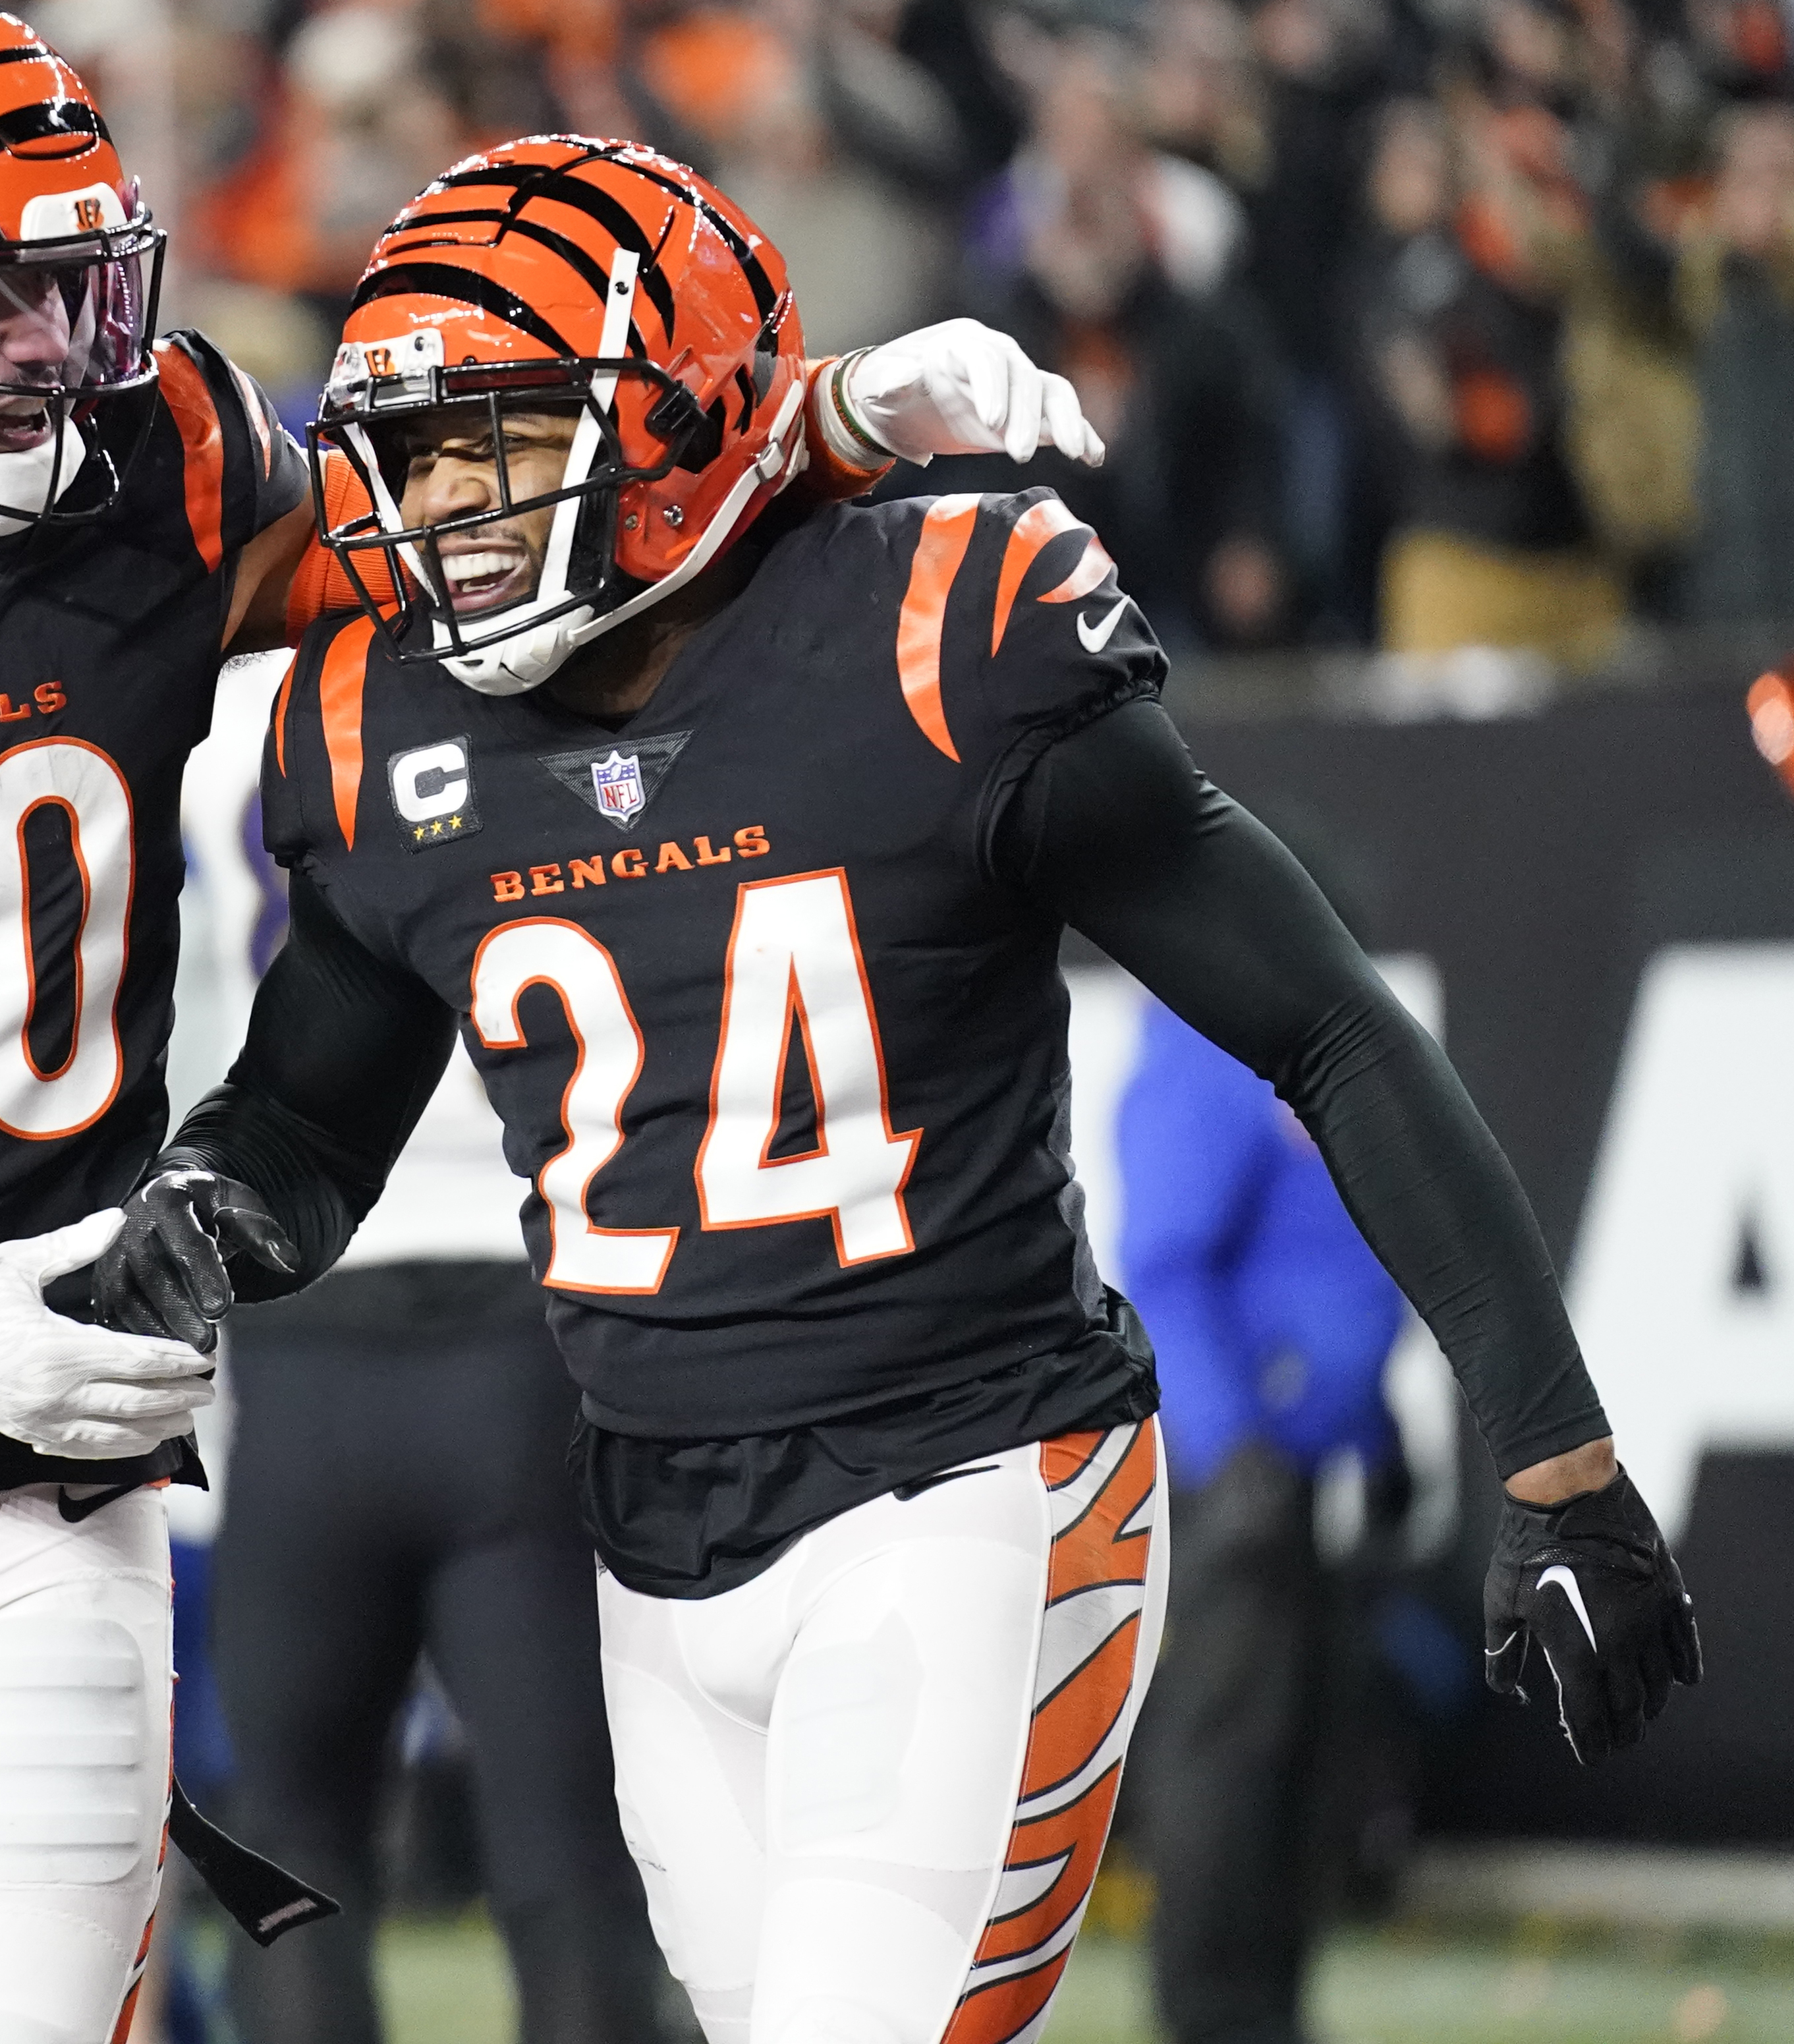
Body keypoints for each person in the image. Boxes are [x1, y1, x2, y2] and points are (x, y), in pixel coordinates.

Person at [0, 0, 1100, 2044]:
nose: (50, 355)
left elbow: (485, 503)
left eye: (69, 290)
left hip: (49, 1511)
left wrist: (805, 417)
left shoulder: (167, 477)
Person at [96, 133, 1702, 2044]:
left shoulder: (937, 637)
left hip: (968, 1487)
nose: (438, 503)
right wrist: (201, 1217)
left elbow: (1330, 1030)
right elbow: (310, 1105)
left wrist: (1558, 1458)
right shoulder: (386, 722)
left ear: (674, 421)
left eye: (496, 437)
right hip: (651, 1541)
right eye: (414, 452)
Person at [172, 660, 668, 2044]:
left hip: (308, 1324)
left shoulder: (239, 727)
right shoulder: (556, 684)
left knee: (292, 1849)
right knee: (568, 1850)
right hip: (531, 1313)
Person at [1114, 996, 1413, 2044]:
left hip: (1307, 1472)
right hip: (1236, 1481)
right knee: (1229, 1756)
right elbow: (1163, 1260)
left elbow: (1335, 1262)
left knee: (1304, 1761)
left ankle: (1271, 2011)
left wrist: (1376, 1439)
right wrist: (1228, 1439)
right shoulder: (1208, 1041)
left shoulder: (1291, 1036)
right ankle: (1216, 2014)